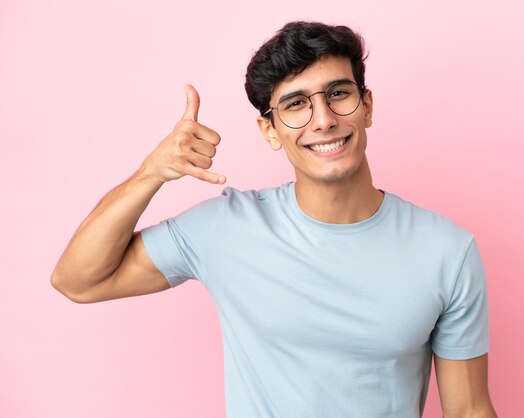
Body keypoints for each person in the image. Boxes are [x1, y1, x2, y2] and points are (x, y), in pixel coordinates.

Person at [51, 21, 497, 418]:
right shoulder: (225, 228)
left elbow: (468, 409)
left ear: (367, 107)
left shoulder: (448, 251)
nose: (322, 120)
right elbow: (78, 280)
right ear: (270, 130)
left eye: (338, 94)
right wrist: (153, 173)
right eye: (296, 104)